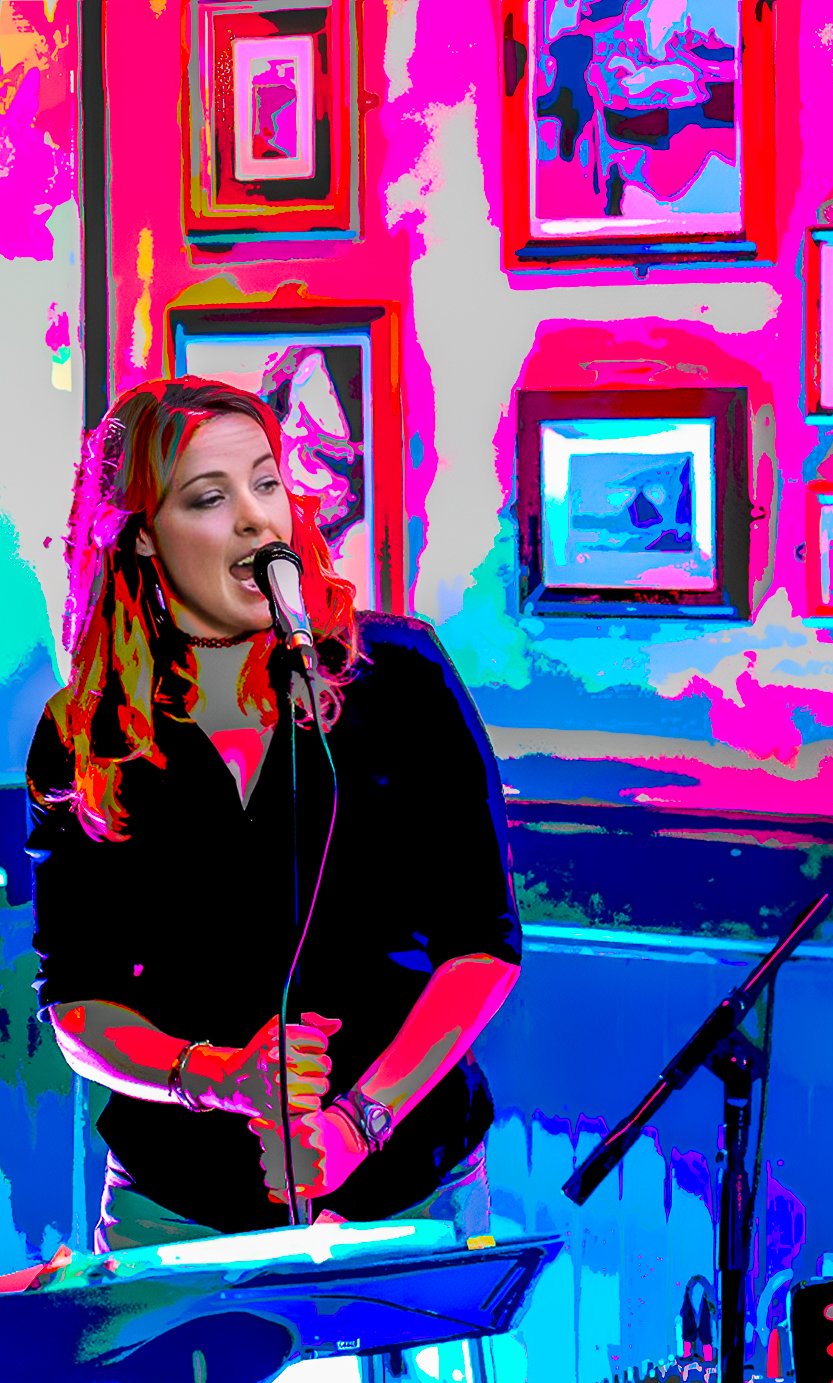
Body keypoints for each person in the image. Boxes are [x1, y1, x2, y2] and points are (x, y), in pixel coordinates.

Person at [27, 377, 522, 1250]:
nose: (258, 519)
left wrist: (358, 1122)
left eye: (265, 482)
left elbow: (483, 945)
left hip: (409, 1184)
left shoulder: (401, 675)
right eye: (210, 497)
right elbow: (78, 1004)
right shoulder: (84, 732)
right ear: (140, 533)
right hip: (176, 1201)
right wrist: (217, 1077)